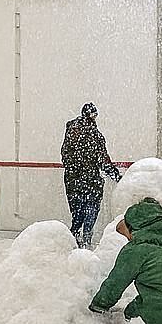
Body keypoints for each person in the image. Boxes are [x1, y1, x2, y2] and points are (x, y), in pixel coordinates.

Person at [61, 102, 120, 249]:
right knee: (90, 211)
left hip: (72, 181)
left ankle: (74, 238)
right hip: (91, 181)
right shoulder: (95, 135)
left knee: (77, 214)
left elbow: (64, 156)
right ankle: (86, 241)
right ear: (92, 115)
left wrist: (74, 169)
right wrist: (116, 176)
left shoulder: (70, 132)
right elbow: (103, 160)